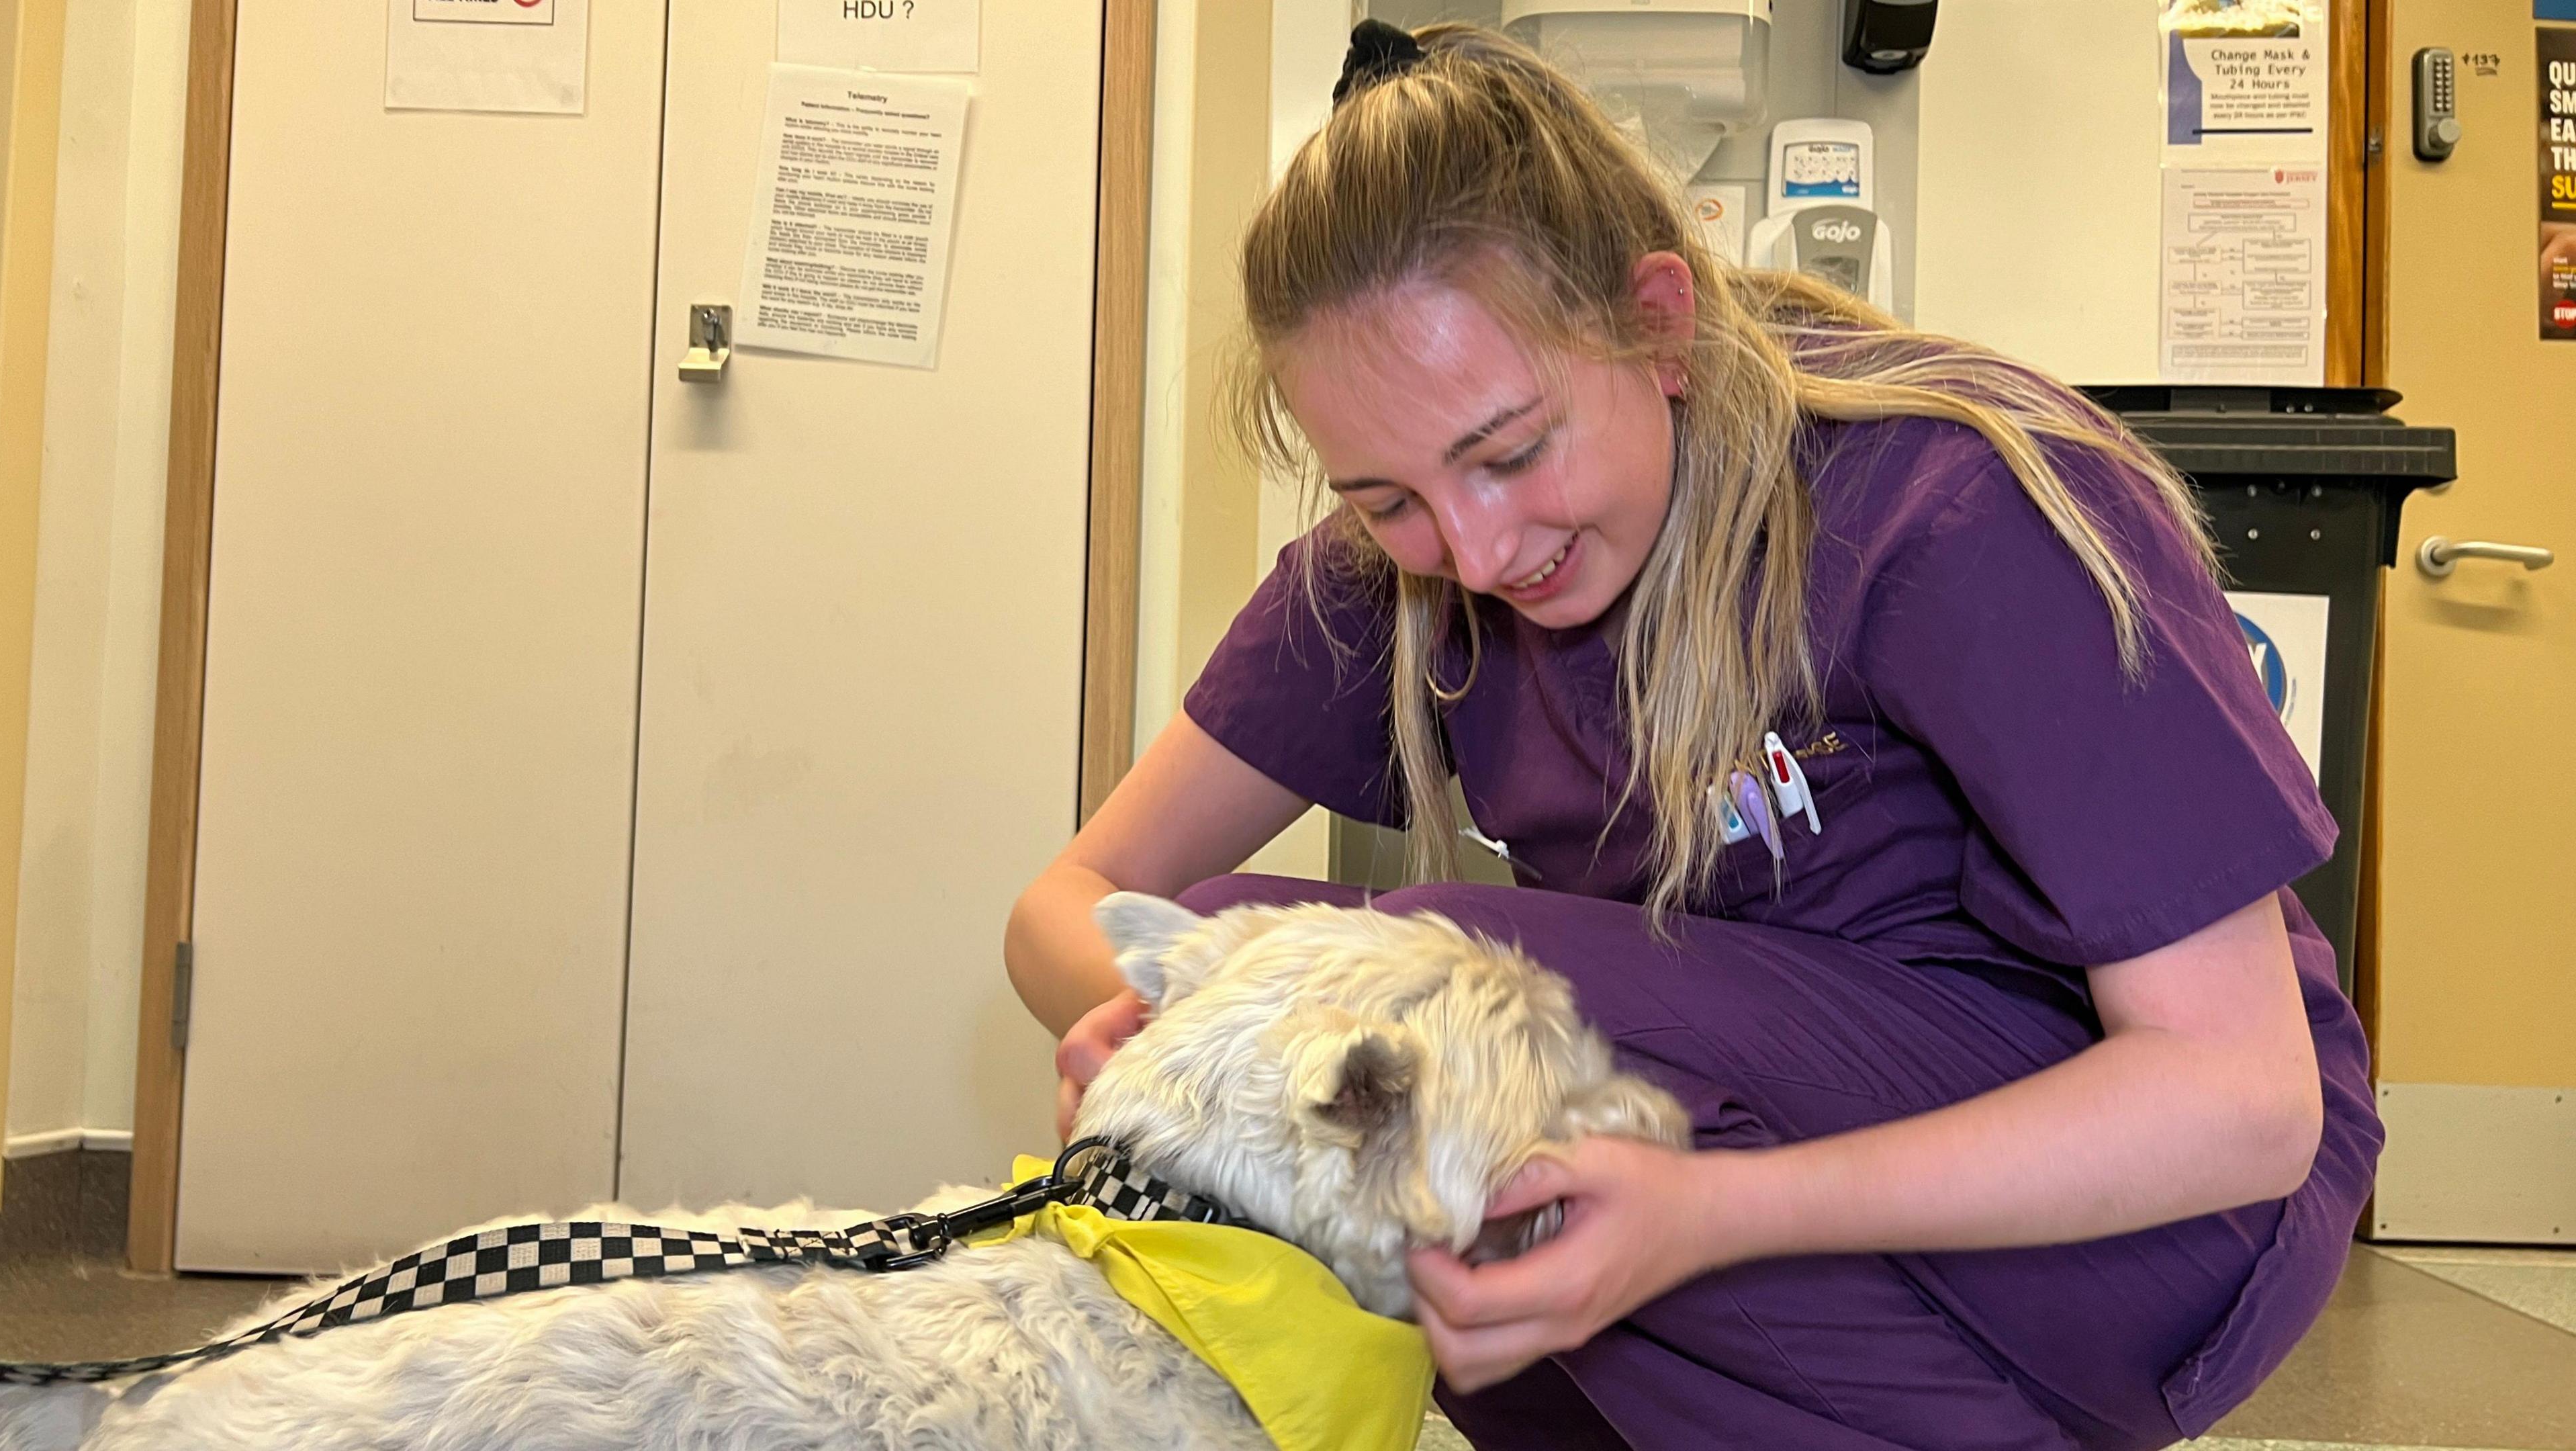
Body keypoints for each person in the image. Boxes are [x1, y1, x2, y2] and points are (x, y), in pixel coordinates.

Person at [1003, 21, 2380, 1451]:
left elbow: (2241, 1104)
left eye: (1512, 451)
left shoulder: (1958, 509)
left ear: (1657, 325)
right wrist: (1163, 1031)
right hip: (1794, 1149)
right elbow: (1069, 905)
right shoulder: (1394, 571)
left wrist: (1710, 1216)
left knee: (1414, 1007)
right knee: (1249, 962)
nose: (1471, 551)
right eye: (1387, 496)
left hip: (2163, 1231)